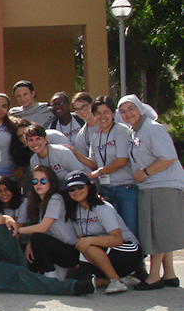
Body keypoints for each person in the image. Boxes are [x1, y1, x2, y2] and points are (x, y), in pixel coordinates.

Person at [118, 94, 184, 290]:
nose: (127, 113)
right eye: (123, 111)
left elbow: (169, 157)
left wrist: (145, 172)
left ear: (140, 108)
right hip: (151, 186)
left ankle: (154, 276)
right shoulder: (135, 131)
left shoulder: (153, 129)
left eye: (131, 108)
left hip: (163, 185)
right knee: (161, 230)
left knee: (157, 232)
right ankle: (170, 273)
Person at [68, 96, 138, 236]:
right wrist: (75, 153)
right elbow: (94, 164)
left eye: (106, 112)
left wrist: (99, 172)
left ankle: (136, 258)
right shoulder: (96, 136)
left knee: (130, 231)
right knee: (111, 232)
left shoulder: (121, 131)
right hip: (106, 190)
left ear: (113, 113)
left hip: (126, 189)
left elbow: (122, 160)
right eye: (98, 113)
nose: (102, 116)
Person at [63, 172, 142, 294]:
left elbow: (117, 239)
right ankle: (122, 279)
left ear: (89, 187)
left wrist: (89, 241)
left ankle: (115, 280)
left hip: (128, 251)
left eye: (80, 187)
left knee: (88, 245)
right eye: (71, 189)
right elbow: (82, 240)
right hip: (100, 252)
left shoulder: (102, 207)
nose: (76, 191)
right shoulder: (75, 211)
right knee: (78, 281)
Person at [18, 166, 78, 281]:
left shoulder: (55, 198)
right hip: (56, 247)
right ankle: (51, 273)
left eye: (43, 181)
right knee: (29, 254)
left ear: (51, 182)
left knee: (37, 238)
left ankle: (50, 274)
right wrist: (30, 244)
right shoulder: (39, 203)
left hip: (69, 251)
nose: (38, 184)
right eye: (35, 181)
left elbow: (43, 228)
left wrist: (17, 229)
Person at [25, 123, 89, 187]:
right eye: (31, 140)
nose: (35, 143)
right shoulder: (34, 161)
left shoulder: (61, 152)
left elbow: (81, 174)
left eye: (38, 138)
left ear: (45, 139)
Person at [71, 92, 98, 158]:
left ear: (92, 104)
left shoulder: (109, 120)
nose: (82, 111)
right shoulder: (81, 136)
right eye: (77, 109)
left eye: (84, 106)